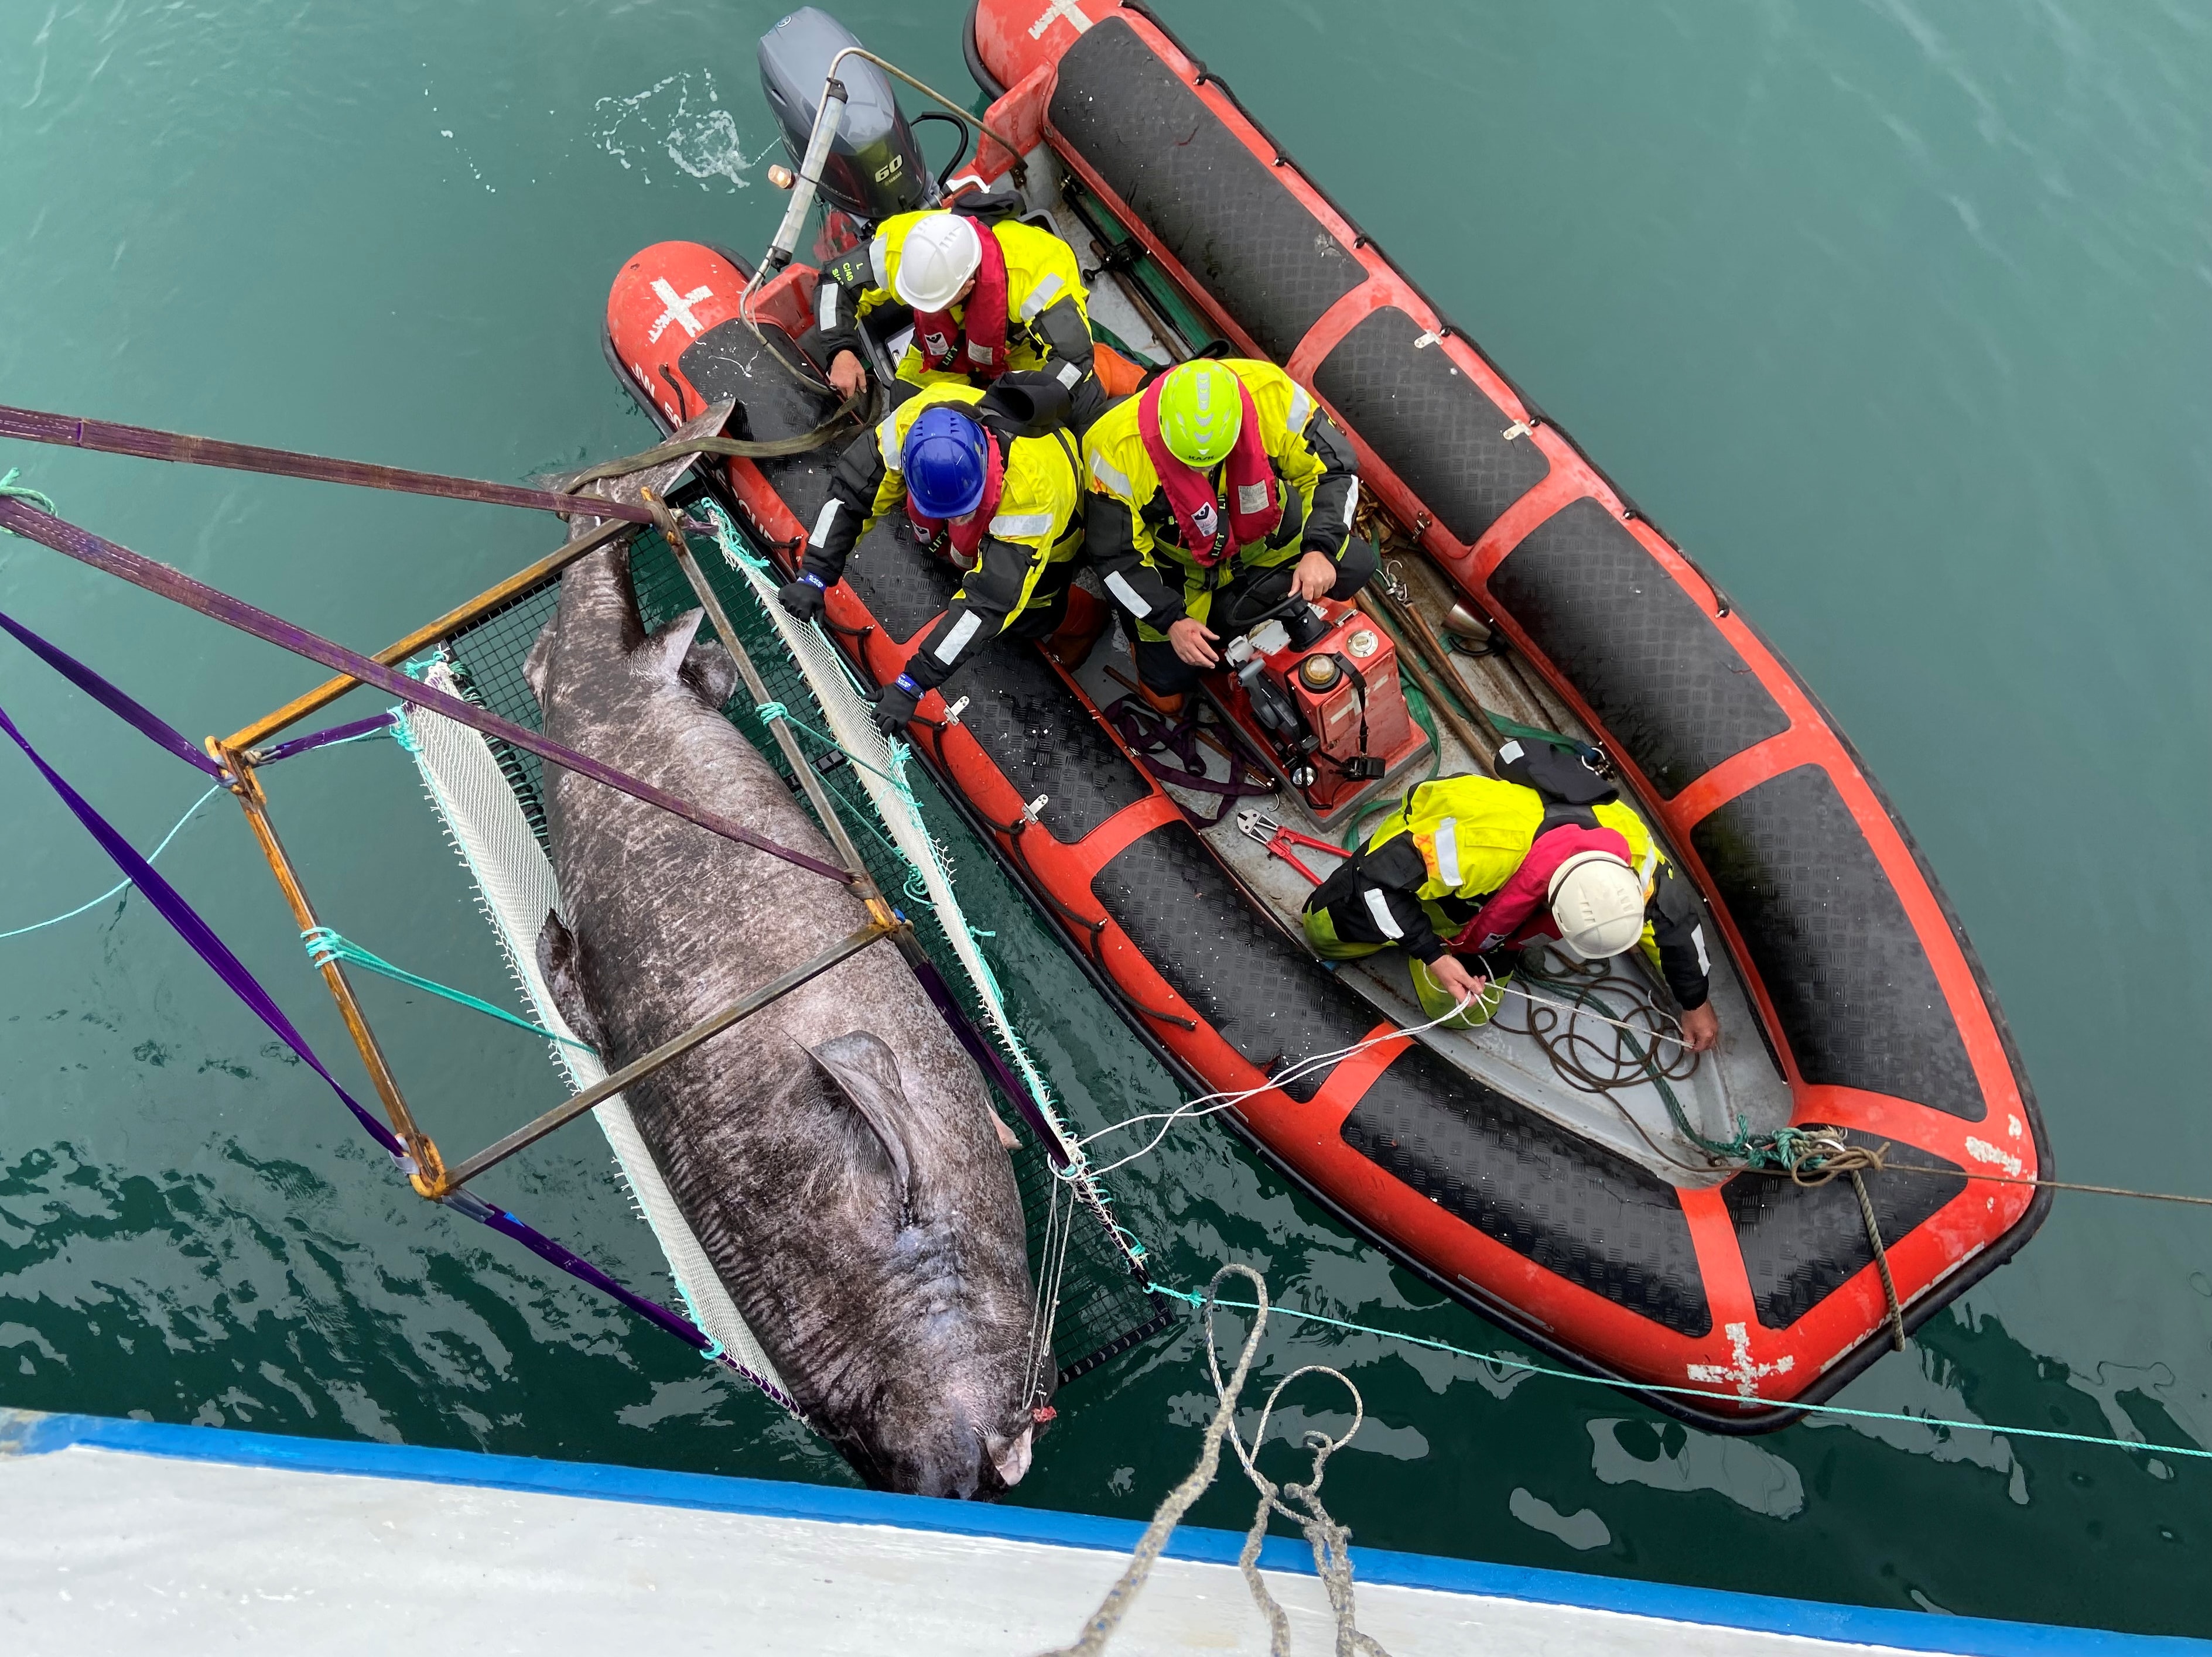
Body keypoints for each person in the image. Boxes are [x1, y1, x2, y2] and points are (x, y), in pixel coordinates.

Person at [1302, 739, 1721, 1051]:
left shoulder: (1632, 851)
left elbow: (1673, 921)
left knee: (1470, 1012)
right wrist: (1434, 956)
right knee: (1321, 933)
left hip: (1490, 911)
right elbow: (1377, 881)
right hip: (1415, 866)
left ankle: (1437, 945)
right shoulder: (1482, 847)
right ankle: (1417, 943)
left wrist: (1694, 1001)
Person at [777, 375, 1106, 734]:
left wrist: (913, 682)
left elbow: (990, 603)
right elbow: (851, 494)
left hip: (1053, 534)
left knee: (1033, 612)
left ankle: (1087, 620)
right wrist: (815, 573)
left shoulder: (1033, 493)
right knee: (938, 538)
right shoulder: (911, 424)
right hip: (981, 510)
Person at [1082, 357, 1372, 712]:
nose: (1202, 471)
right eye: (1191, 463)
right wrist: (1171, 621)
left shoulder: (1272, 393)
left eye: (1211, 461)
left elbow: (1335, 469)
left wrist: (1320, 551)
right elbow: (1116, 559)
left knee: (1356, 564)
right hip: (1183, 571)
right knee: (1167, 687)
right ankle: (1144, 643)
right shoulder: (1114, 448)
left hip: (1266, 540)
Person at [801, 203, 1108, 427]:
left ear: (967, 286)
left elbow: (1074, 359)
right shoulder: (904, 247)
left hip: (1022, 353)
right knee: (907, 410)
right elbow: (835, 282)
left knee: (1080, 407)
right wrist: (840, 350)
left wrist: (1014, 412)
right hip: (942, 350)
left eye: (933, 301)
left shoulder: (1037, 272)